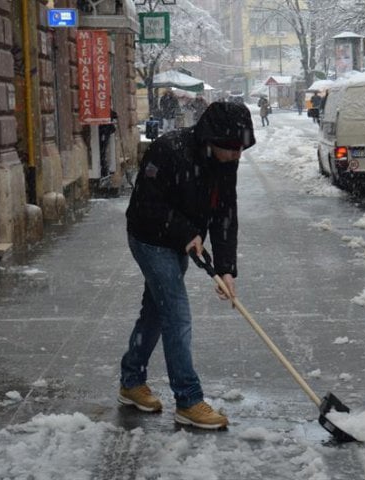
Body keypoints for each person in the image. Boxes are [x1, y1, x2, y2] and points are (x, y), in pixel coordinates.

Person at [119, 101, 256, 430]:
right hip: (149, 238)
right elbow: (147, 204)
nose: (237, 155)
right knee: (176, 315)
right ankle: (188, 400)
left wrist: (225, 269)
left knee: (156, 310)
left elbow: (225, 213)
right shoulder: (169, 150)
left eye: (241, 149)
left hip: (179, 239)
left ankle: (131, 381)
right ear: (212, 139)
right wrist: (187, 232)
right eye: (232, 148)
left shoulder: (224, 161)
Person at [99, 110, 117, 177]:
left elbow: (115, 115)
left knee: (102, 152)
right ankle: (103, 169)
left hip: (105, 131)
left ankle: (104, 169)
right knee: (102, 152)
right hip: (103, 131)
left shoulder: (105, 108)